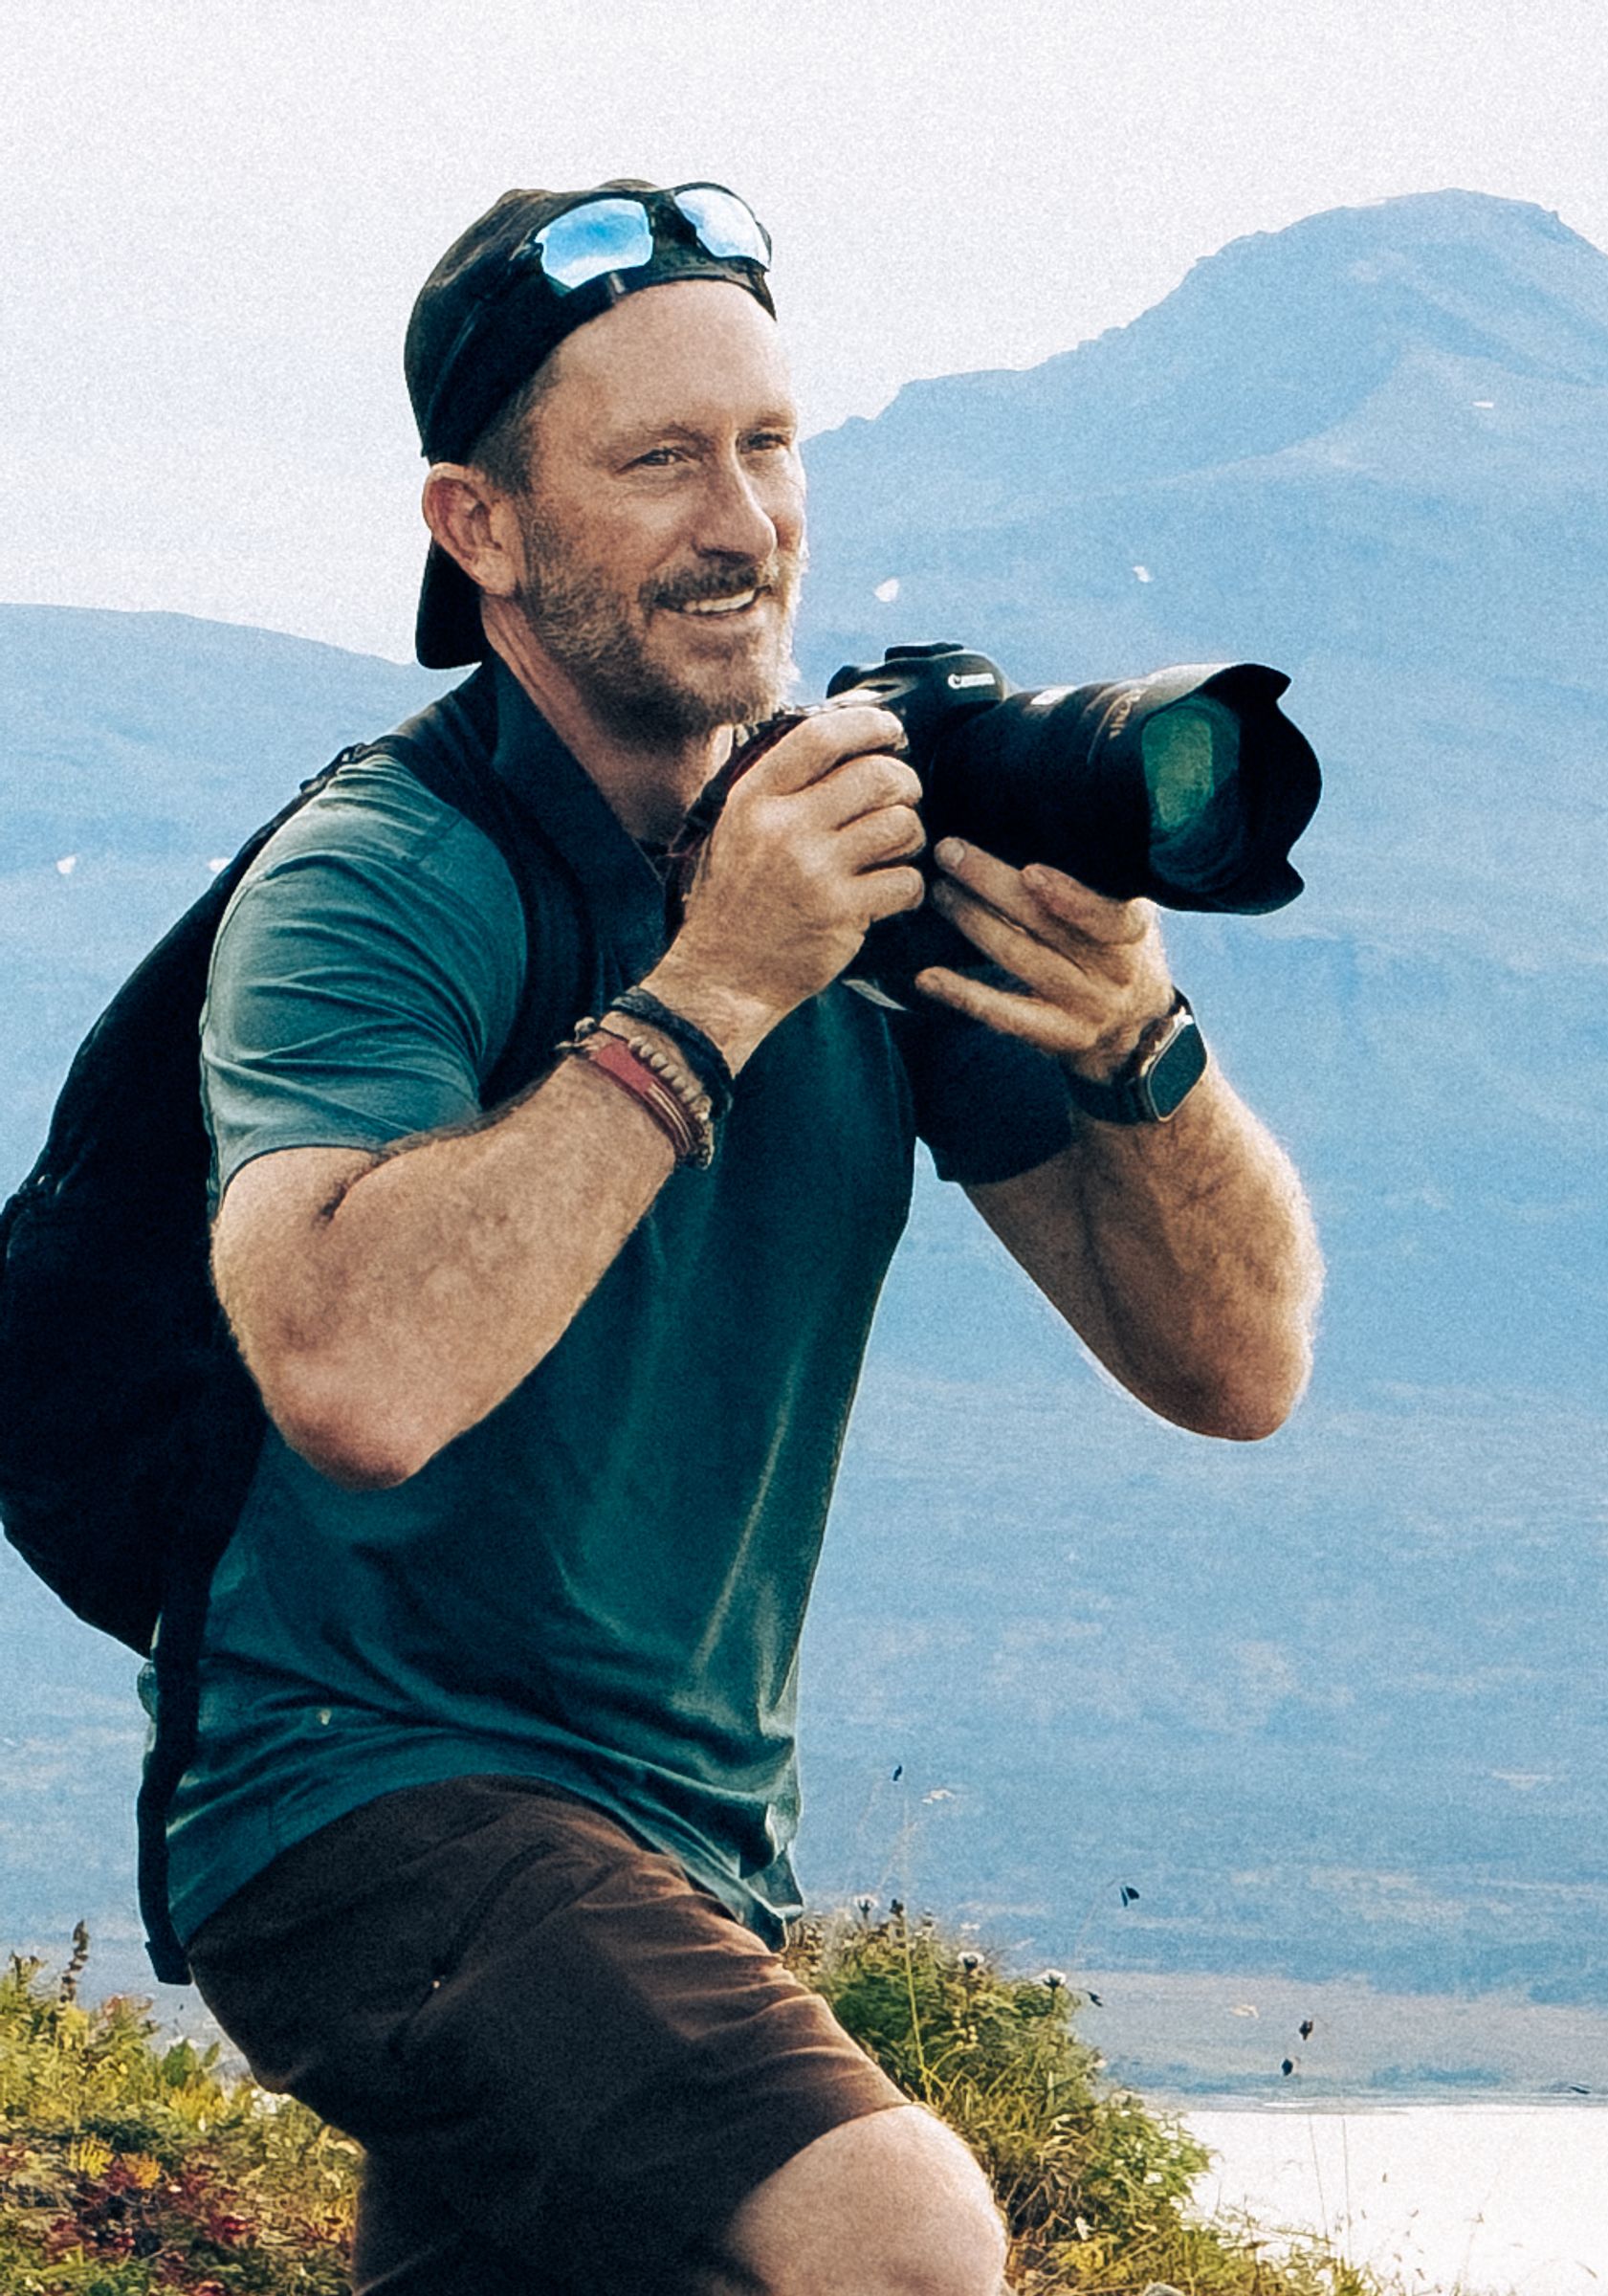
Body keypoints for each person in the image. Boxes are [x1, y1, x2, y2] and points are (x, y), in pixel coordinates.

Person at [174, 181, 1322, 2296]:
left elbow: (1231, 1371)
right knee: (892, 2227)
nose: (743, 524)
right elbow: (349, 1373)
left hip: (686, 1839)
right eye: (657, 461)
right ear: (478, 528)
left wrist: (1135, 1044)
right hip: (363, 1792)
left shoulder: (866, 886)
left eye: (770, 446)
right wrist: (714, 986)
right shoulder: (383, 881)